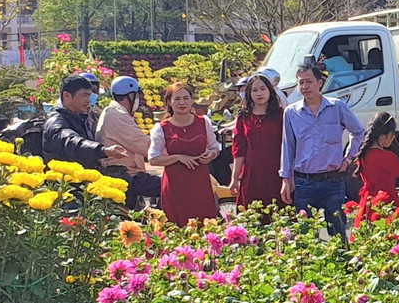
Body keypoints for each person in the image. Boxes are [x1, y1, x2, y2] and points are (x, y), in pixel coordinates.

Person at [280, 61, 364, 240]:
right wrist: (286, 179)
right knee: (305, 236)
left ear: (320, 83)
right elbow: (288, 147)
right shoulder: (291, 112)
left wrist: (349, 158)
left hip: (332, 180)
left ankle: (341, 258)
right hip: (304, 181)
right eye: (301, 82)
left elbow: (358, 132)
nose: (305, 86)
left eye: (309, 81)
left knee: (337, 232)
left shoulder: (337, 107)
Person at [149, 82, 220, 226]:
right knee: (176, 226)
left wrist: (211, 154)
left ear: (192, 100)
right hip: (175, 184)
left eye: (186, 98)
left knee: (204, 224)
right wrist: (178, 157)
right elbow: (153, 159)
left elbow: (215, 147)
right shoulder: (162, 128)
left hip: (200, 182)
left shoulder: (204, 122)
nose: (182, 102)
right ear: (169, 102)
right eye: (177, 99)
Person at [97, 75, 161, 206]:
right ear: (130, 95)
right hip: (125, 175)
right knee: (169, 186)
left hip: (126, 173)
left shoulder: (115, 112)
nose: (138, 100)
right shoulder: (118, 116)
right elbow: (147, 146)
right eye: (137, 96)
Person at [43, 74, 129, 170]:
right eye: (84, 95)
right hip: (64, 178)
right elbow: (72, 142)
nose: (88, 101)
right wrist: (102, 150)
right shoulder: (56, 122)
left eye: (89, 96)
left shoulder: (82, 118)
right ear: (66, 95)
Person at [229, 73, 285, 215]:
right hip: (252, 174)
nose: (259, 93)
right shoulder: (244, 117)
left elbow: (289, 146)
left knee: (278, 214)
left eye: (262, 89)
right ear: (249, 93)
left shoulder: (281, 114)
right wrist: (234, 178)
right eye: (254, 90)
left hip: (276, 173)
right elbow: (239, 150)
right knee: (252, 215)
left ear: (270, 91)